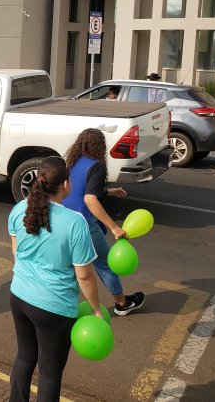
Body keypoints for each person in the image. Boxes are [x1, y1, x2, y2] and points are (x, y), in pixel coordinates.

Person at [8, 156, 102, 402]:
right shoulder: (74, 223)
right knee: (50, 375)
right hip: (54, 307)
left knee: (24, 358)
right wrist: (96, 310)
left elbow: (16, 254)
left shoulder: (19, 209)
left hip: (19, 296)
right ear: (66, 185)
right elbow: (84, 275)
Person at [63, 128, 145, 316]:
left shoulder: (73, 161)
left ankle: (63, 307)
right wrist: (114, 227)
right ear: (100, 146)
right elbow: (89, 199)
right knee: (105, 264)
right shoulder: (97, 166)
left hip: (65, 219)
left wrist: (107, 191)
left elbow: (79, 190)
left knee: (68, 266)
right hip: (84, 224)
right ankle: (122, 303)